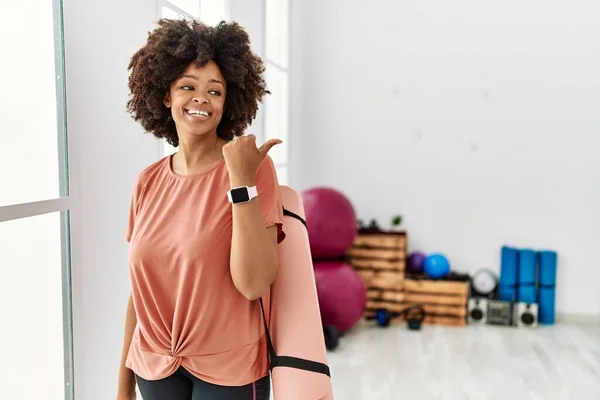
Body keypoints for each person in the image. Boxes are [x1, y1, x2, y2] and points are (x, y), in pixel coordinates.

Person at [116, 18, 286, 400]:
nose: (200, 99)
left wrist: (241, 182)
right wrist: (122, 388)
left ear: (228, 102)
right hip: (154, 366)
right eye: (187, 87)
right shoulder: (148, 181)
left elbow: (255, 283)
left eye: (215, 91)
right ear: (165, 96)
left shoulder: (252, 168)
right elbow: (140, 294)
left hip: (231, 368)